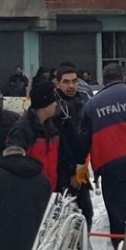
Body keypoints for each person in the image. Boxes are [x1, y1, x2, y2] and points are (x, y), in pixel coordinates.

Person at [79, 64, 126, 249]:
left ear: (104, 81)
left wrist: (81, 166)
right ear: (124, 76)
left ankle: (120, 247)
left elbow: (84, 139)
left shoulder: (92, 104)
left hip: (112, 164)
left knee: (118, 212)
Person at [54, 65, 93, 227]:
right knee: (63, 210)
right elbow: (61, 141)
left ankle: (81, 244)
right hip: (61, 165)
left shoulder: (85, 99)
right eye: (66, 82)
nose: (71, 86)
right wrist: (71, 171)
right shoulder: (55, 104)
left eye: (74, 81)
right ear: (58, 84)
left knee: (86, 211)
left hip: (82, 161)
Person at [7, 82, 60, 191]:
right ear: (45, 105)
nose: (56, 105)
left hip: (49, 190)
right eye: (53, 101)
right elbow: (13, 164)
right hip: (29, 192)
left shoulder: (52, 127)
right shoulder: (22, 130)